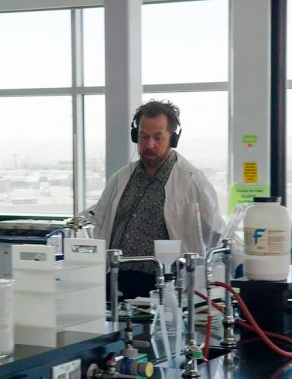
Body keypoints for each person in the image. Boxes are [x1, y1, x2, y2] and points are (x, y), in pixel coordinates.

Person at [89, 99, 233, 300]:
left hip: (164, 288)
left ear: (173, 138)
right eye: (143, 137)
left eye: (158, 137)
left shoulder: (192, 181)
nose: (149, 144)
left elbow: (218, 233)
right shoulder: (121, 178)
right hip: (115, 284)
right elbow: (98, 222)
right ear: (135, 136)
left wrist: (243, 266)